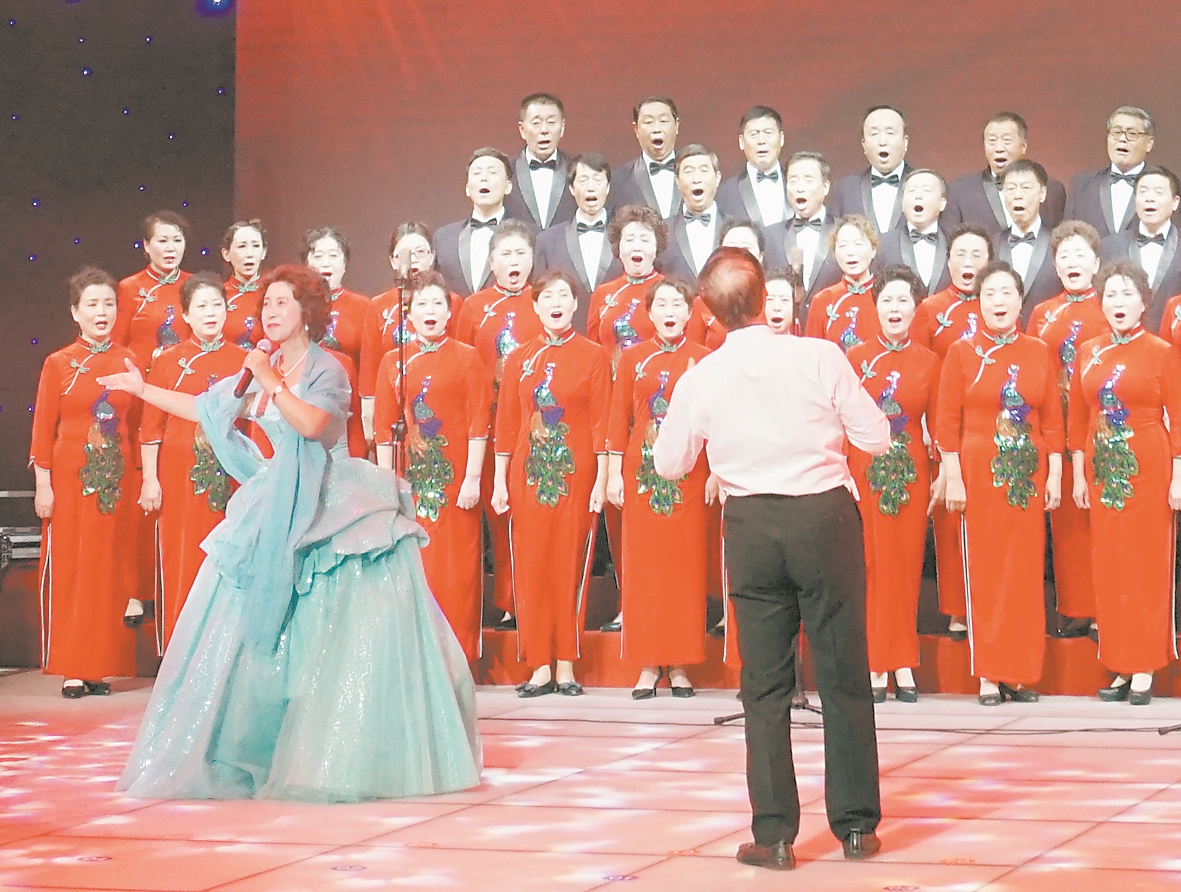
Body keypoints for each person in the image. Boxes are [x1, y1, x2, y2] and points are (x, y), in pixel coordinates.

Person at [105, 263, 481, 801]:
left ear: (307, 312)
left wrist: (269, 380)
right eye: (265, 304)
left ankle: (338, 752)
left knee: (335, 626)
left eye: (282, 302)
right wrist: (144, 389)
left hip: (332, 498)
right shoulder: (262, 365)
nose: (271, 312)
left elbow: (312, 426)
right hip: (276, 497)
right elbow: (207, 409)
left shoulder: (329, 368)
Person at [655, 247, 888, 870]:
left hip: (752, 525)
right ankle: (856, 827)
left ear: (707, 311)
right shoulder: (820, 356)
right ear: (767, 298)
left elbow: (669, 463)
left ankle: (776, 835)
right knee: (843, 672)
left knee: (764, 685)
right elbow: (877, 436)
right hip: (824, 517)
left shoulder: (702, 376)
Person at [934, 261, 1063, 706]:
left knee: (1024, 573)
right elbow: (946, 421)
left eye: (1006, 292)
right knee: (987, 572)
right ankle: (989, 674)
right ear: (979, 304)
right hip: (977, 473)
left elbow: (1052, 420)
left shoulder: (1038, 351)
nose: (998, 301)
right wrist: (953, 477)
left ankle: (1020, 673)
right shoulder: (962, 352)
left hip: (1027, 475)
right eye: (989, 294)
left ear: (1020, 301)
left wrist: (1055, 474)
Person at [491, 271, 611, 698]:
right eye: (548, 297)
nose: (556, 303)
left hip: (576, 477)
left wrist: (602, 479)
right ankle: (539, 665)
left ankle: (566, 665)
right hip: (526, 476)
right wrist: (499, 481)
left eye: (564, 296)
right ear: (535, 306)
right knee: (532, 567)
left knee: (568, 567)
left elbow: (602, 424)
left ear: (575, 305)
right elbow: (507, 425)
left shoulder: (594, 356)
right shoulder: (519, 359)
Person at [1068, 260, 1181, 705]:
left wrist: (1178, 475)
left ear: (1143, 302)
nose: (1118, 302)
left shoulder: (1161, 352)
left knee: (1145, 566)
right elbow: (1079, 417)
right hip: (1102, 470)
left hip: (1148, 468)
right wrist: (1079, 472)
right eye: (1111, 294)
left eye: (1127, 294)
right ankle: (1119, 662)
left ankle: (1144, 665)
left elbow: (1179, 417)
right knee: (1110, 567)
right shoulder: (1088, 351)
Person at [31, 267, 139, 699]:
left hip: (117, 482)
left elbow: (136, 426)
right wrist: (44, 485)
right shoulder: (58, 363)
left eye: (109, 303)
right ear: (75, 312)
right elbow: (43, 429)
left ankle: (101, 666)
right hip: (70, 480)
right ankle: (73, 667)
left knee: (109, 571)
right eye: (92, 304)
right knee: (73, 570)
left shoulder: (128, 361)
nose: (101, 312)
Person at [374, 272, 492, 663]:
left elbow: (478, 422)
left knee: (458, 571)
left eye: (437, 303)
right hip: (411, 485)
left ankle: (459, 661)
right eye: (422, 304)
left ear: (449, 312)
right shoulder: (394, 362)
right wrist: (388, 487)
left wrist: (472, 478)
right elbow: (384, 430)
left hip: (456, 484)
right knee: (417, 569)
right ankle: (418, 664)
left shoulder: (467, 356)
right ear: (409, 313)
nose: (430, 311)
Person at [607, 277, 713, 698]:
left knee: (686, 568)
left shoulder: (704, 359)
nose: (670, 312)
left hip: (692, 474)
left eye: (678, 305)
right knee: (645, 569)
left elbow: (715, 420)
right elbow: (618, 416)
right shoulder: (633, 358)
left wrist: (717, 472)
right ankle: (648, 664)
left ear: (690, 312)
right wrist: (613, 473)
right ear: (649, 314)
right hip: (642, 475)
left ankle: (682, 665)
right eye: (662, 305)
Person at [130, 273, 247, 650]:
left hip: (231, 474)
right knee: (181, 556)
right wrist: (150, 478)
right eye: (201, 306)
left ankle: (227, 651)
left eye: (217, 305)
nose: (210, 313)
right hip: (178, 475)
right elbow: (151, 427)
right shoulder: (168, 361)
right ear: (185, 315)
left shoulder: (244, 361)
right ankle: (178, 650)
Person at [846, 266, 939, 703]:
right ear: (875, 307)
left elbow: (939, 426)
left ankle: (902, 661)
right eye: (887, 300)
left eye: (903, 300)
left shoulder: (929, 362)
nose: (895, 308)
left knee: (904, 564)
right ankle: (873, 661)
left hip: (910, 473)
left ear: (915, 307)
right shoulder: (855, 359)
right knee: (869, 564)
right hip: (863, 471)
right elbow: (840, 421)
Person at [454, 220, 543, 631]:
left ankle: (533, 599)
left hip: (534, 429)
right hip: (488, 430)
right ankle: (508, 601)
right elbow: (462, 367)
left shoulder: (543, 301)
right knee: (499, 514)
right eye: (505, 254)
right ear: (491, 262)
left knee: (530, 517)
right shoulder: (474, 307)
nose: (513, 261)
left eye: (521, 253)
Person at [911, 222, 994, 640]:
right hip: (942, 427)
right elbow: (917, 368)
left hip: (988, 428)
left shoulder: (997, 303)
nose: (967, 262)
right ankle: (958, 610)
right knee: (949, 522)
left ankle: (987, 605)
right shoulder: (930, 308)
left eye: (976, 255)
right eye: (960, 254)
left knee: (988, 522)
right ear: (947, 261)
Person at [1026, 221, 1108, 640]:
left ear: (1096, 262)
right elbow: (1028, 370)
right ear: (1055, 266)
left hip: (1101, 429)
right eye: (1064, 256)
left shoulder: (1110, 306)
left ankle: (1103, 610)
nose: (1072, 263)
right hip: (1054, 429)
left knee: (1099, 519)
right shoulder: (1042, 313)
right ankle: (1074, 607)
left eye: (1080, 255)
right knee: (1066, 522)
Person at [358, 223, 464, 444]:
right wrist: (369, 420)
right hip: (394, 408)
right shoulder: (379, 306)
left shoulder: (453, 303)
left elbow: (461, 360)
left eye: (421, 252)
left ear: (432, 256)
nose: (414, 259)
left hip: (442, 407)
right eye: (406, 254)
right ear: (393, 261)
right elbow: (369, 370)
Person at [533, 152, 623, 333]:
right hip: (567, 338)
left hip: (617, 338)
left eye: (597, 180)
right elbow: (539, 295)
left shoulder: (626, 237)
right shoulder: (548, 241)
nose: (591, 188)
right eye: (583, 181)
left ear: (607, 187)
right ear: (572, 189)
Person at [300, 226, 368, 458]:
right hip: (306, 404)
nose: (325, 263)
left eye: (333, 255)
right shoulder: (295, 305)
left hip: (349, 406)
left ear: (345, 263)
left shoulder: (363, 307)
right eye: (318, 256)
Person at [944, 112, 1067, 237]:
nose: (999, 148)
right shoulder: (960, 191)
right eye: (992, 141)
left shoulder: (1053, 190)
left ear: (1023, 146)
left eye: (1007, 141)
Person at [1100, 165, 1181, 332]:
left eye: (1158, 192)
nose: (1149, 198)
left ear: (1175, 202)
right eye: (1143, 192)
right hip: (1124, 340)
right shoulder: (1110, 246)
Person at [763, 151, 842, 323]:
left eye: (808, 180)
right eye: (793, 181)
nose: (800, 188)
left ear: (826, 187)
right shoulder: (770, 236)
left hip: (832, 325)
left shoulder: (842, 232)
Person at [586, 205, 667, 369]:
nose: (637, 246)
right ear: (619, 247)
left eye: (645, 240)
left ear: (656, 247)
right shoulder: (603, 294)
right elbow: (593, 354)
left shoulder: (670, 291)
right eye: (630, 240)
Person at [113, 211, 193, 369]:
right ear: (147, 245)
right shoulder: (129, 287)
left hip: (184, 374)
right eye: (163, 241)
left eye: (177, 240)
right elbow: (116, 342)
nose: (171, 248)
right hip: (141, 377)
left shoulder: (195, 286)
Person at [1066, 106, 1156, 239]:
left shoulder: (1164, 187)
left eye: (1132, 134)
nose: (1122, 139)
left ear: (1149, 143)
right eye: (1116, 132)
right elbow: (1067, 236)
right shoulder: (1081, 186)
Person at [436, 147, 516, 297]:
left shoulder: (527, 235)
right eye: (477, 173)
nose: (483, 178)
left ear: (508, 186)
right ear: (467, 189)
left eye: (492, 172)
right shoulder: (443, 237)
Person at [994, 160, 1061, 323]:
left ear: (1042, 194)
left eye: (1026, 188)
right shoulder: (992, 244)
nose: (1017, 195)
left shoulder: (1059, 244)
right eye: (1010, 189)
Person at [830, 105, 911, 236]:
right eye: (874, 134)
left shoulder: (926, 185)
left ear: (905, 142)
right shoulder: (845, 188)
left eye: (890, 133)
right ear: (863, 144)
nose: (882, 141)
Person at [804, 214, 881, 351]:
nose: (850, 252)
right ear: (835, 253)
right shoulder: (822, 300)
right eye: (843, 246)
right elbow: (812, 354)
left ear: (873, 250)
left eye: (858, 244)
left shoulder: (886, 298)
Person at [505, 93, 577, 231]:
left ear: (562, 127)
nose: (544, 130)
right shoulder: (506, 171)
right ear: (522, 129)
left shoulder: (576, 171)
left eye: (551, 122)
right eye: (536, 123)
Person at [657, 145, 726, 282]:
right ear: (677, 181)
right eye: (688, 172)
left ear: (717, 178)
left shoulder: (733, 229)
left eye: (704, 171)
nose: (696, 179)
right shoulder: (662, 231)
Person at [876, 168, 952, 294]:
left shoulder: (954, 242)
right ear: (902, 203)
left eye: (926, 190)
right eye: (912, 191)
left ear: (942, 203)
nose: (918, 196)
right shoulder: (882, 243)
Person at [717, 106, 788, 229]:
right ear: (741, 142)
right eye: (754, 134)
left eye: (768, 133)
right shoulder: (726, 192)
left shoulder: (799, 184)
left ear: (781, 138)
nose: (761, 141)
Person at [611, 96, 681, 218]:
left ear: (676, 125)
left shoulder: (696, 173)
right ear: (636, 129)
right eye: (648, 122)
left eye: (663, 121)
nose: (656, 129)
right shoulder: (618, 180)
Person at [220, 219, 268, 347]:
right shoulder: (218, 295)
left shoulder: (272, 294)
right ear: (226, 254)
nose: (249, 254)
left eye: (256, 246)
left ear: (263, 252)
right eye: (242, 246)